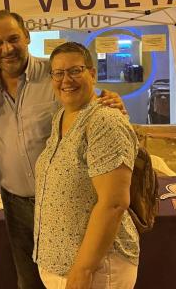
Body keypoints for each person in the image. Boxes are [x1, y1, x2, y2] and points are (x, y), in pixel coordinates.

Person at [0, 10, 126, 289]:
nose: (7, 49)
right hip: (15, 201)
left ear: (27, 37)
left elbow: (89, 103)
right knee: (29, 280)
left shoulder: (55, 73)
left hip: (66, 203)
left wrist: (113, 100)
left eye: (13, 39)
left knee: (72, 275)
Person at [34, 42, 139, 289]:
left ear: (92, 74)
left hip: (97, 270)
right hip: (61, 264)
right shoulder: (62, 116)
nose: (65, 80)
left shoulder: (104, 120)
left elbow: (114, 203)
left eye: (75, 71)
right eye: (58, 73)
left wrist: (83, 270)